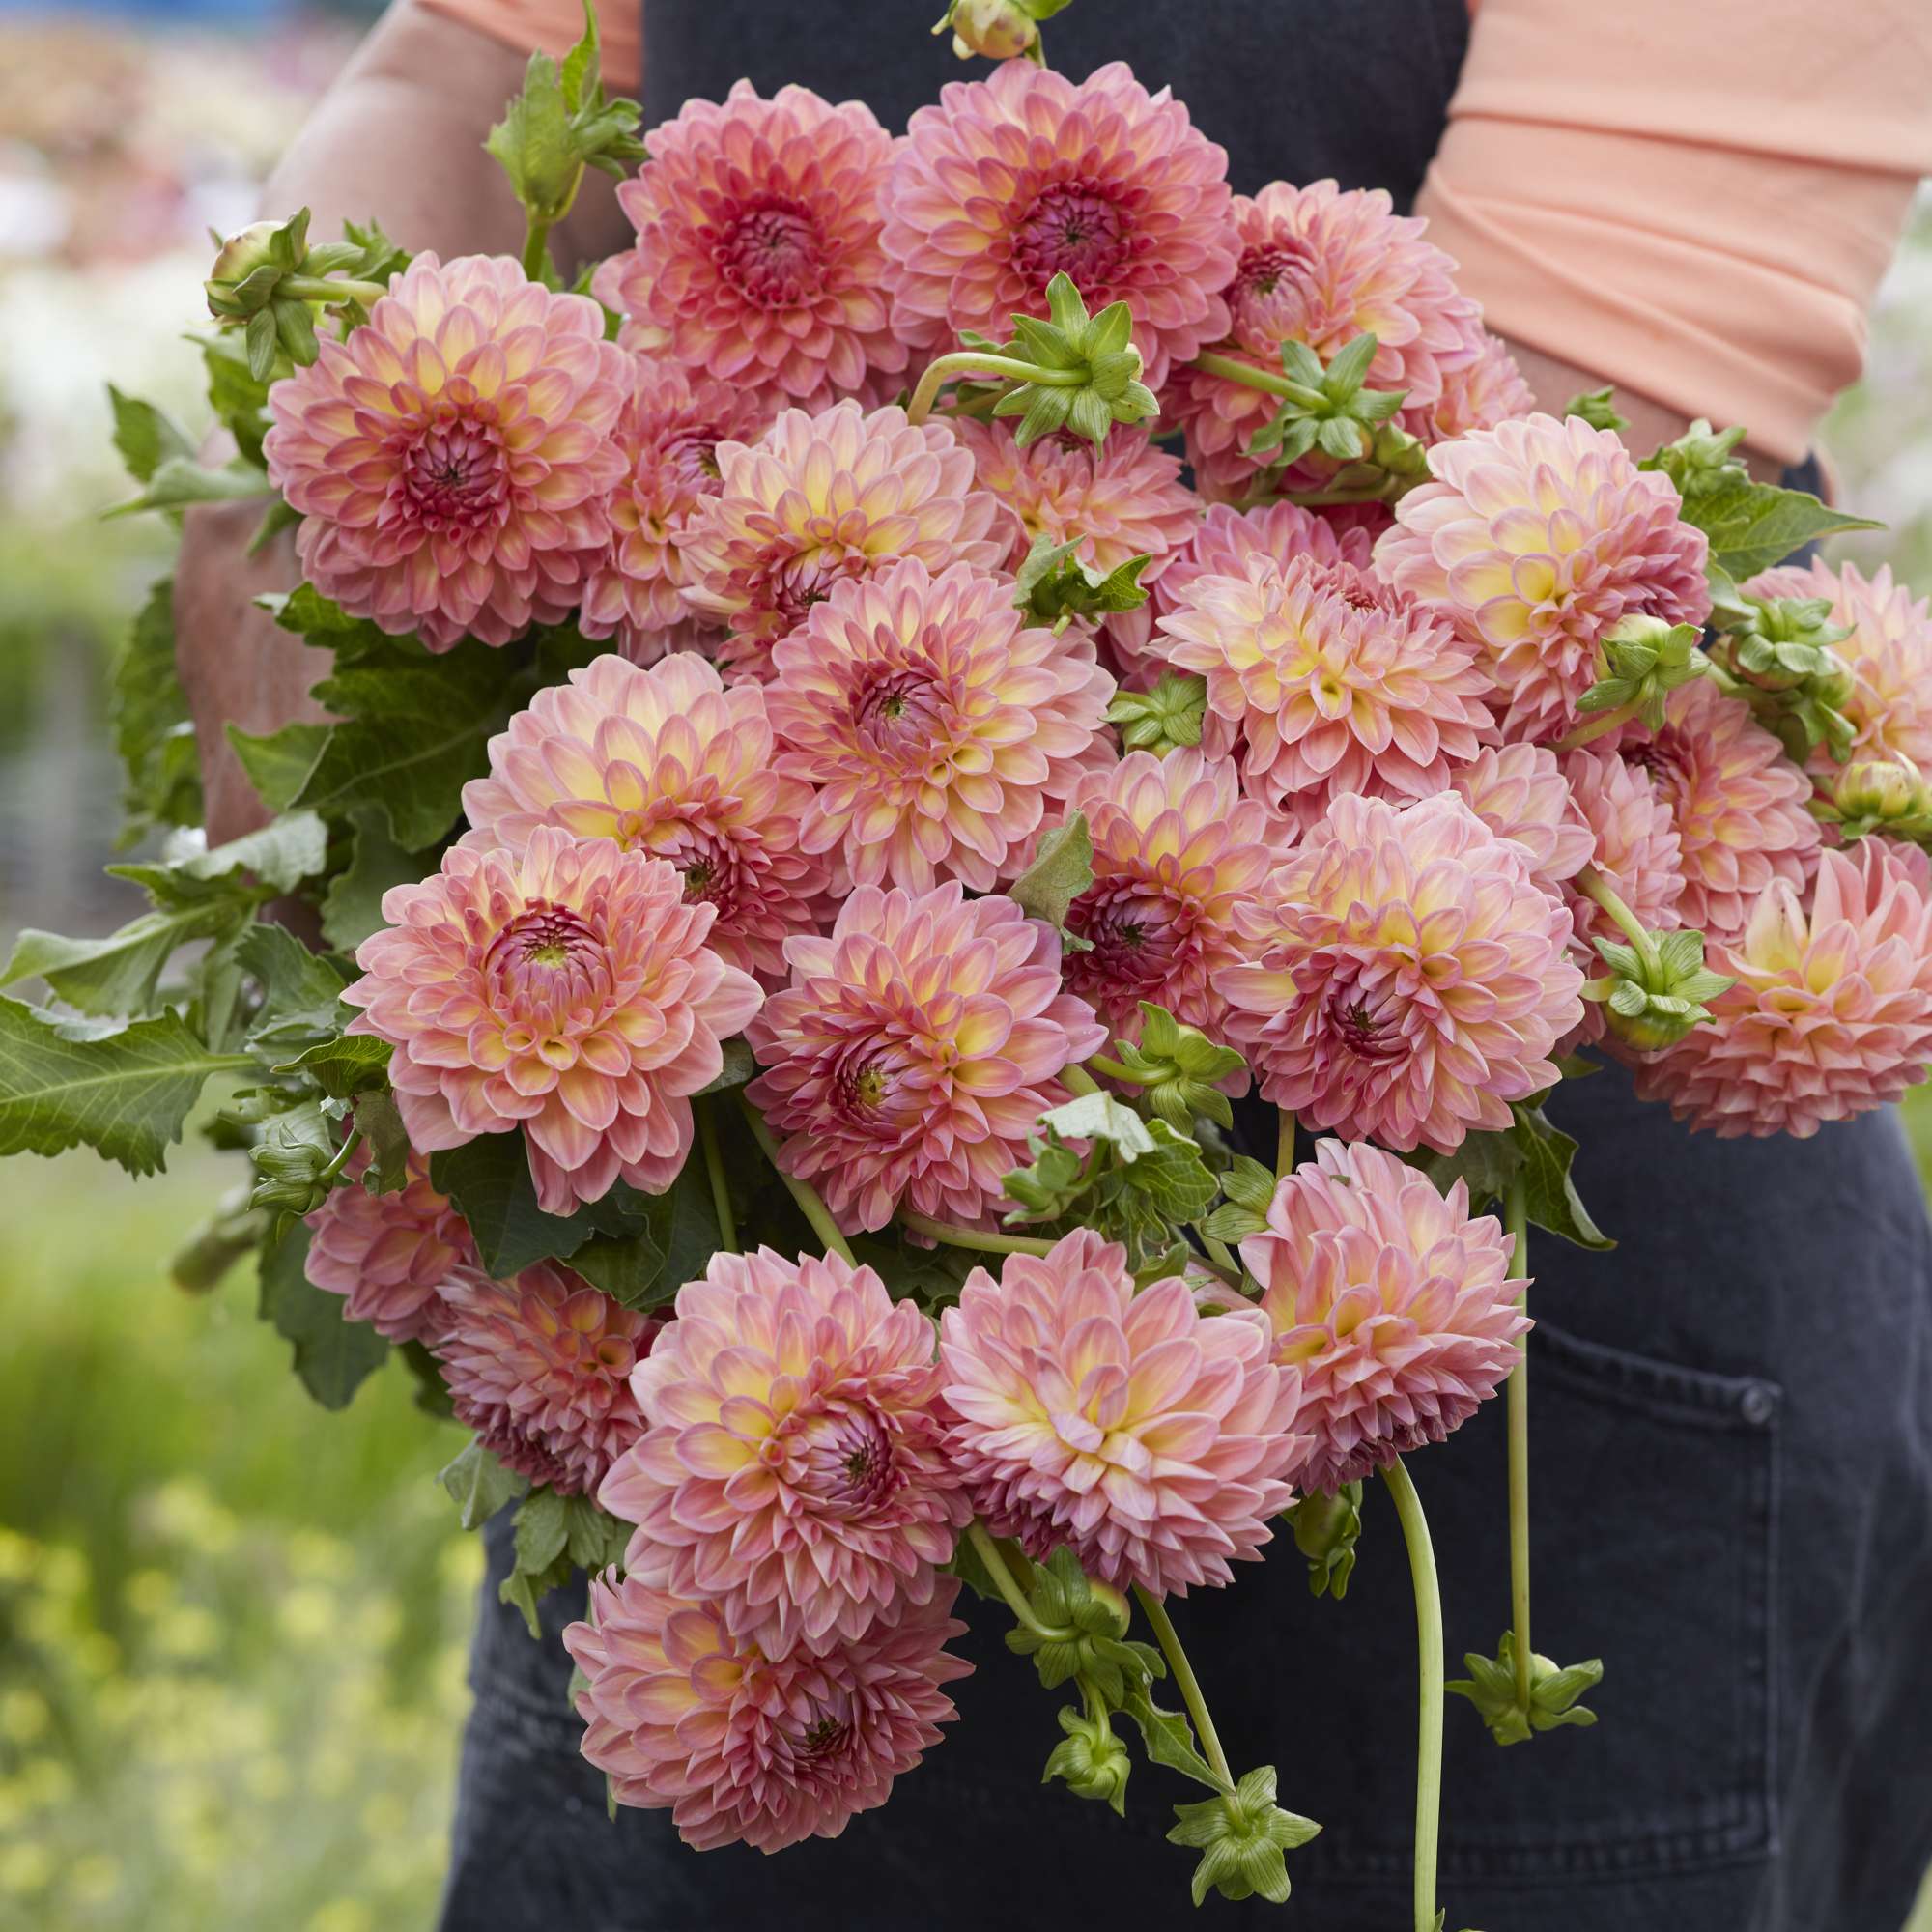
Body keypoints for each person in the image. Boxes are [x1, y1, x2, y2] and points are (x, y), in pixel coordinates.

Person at [174, 4, 1932, 1926]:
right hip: (746, 1337)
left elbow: (1497, 515)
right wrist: (275, 499)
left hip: (1469, 1296)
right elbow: (455, 80)